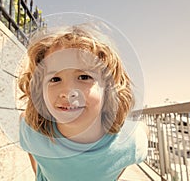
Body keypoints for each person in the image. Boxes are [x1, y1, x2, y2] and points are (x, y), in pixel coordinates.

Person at [17, 24, 148, 181]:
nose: (67, 92)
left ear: (108, 88)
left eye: (84, 77)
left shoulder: (130, 142)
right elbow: (32, 145)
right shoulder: (31, 130)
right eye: (55, 79)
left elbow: (143, 130)